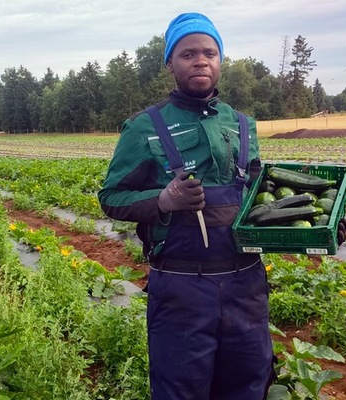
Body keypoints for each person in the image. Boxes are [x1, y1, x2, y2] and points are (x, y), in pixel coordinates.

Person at [98, 12, 273, 399]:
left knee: (248, 386)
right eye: (188, 54)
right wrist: (163, 200)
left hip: (246, 287)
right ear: (170, 64)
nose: (200, 61)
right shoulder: (145, 127)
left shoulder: (242, 124)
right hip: (181, 291)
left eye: (210, 53)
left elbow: (258, 196)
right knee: (179, 391)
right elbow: (111, 197)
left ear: (220, 60)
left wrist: (310, 225)